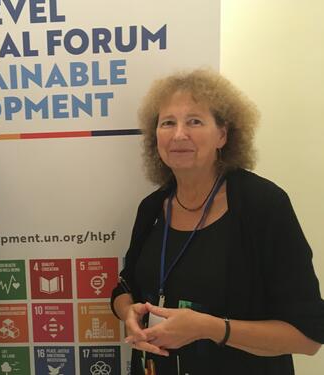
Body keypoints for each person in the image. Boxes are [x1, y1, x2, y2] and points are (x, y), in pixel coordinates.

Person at [110, 69, 324, 374]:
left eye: (194, 121)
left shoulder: (263, 205)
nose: (179, 134)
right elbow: (123, 287)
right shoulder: (152, 208)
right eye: (168, 122)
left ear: (223, 134)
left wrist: (210, 328)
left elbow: (308, 336)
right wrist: (128, 313)